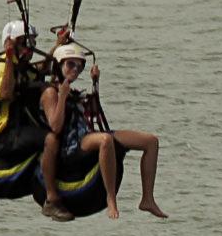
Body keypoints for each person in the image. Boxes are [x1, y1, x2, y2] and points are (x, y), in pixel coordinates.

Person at [38, 42, 166, 219]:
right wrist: (62, 97)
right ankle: (110, 199)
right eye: (70, 64)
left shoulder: (71, 91)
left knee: (150, 142)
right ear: (59, 65)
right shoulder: (51, 92)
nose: (75, 70)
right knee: (105, 140)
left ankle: (147, 199)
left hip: (86, 134)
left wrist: (95, 82)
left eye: (79, 66)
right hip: (71, 145)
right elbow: (55, 126)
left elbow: (93, 110)